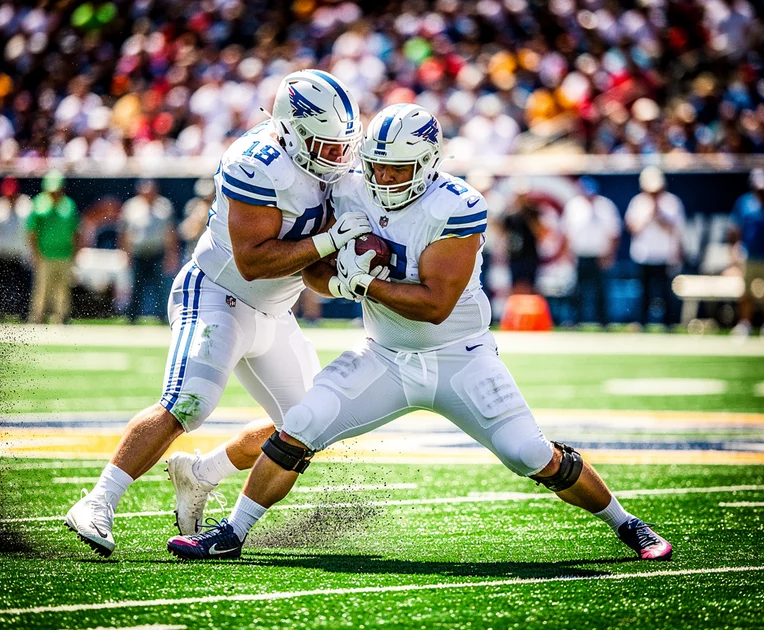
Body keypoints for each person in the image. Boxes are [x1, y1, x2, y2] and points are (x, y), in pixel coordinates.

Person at [165, 104, 673, 564]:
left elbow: (434, 305)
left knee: (530, 454)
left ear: (428, 164)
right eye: (377, 164)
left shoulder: (455, 205)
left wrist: (361, 282)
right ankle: (231, 532)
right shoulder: (347, 187)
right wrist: (339, 281)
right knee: (300, 423)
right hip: (383, 354)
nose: (384, 176)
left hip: (459, 356)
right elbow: (314, 271)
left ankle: (627, 524)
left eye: (397, 167)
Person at [64, 70, 370, 557]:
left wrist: (348, 275)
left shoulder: (333, 167)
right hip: (219, 294)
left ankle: (200, 474)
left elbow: (311, 270)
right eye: (324, 145)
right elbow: (253, 261)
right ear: (291, 131)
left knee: (309, 424)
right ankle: (98, 501)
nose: (337, 156)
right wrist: (331, 240)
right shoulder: (257, 163)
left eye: (341, 145)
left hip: (276, 311)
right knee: (188, 404)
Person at [624, 167, 685, 328]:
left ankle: (669, 325)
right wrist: (649, 214)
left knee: (666, 292)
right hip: (643, 255)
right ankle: (641, 323)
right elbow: (633, 228)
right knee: (643, 292)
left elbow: (674, 229)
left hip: (664, 255)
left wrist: (658, 213)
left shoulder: (672, 202)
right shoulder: (637, 202)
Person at [562, 177, 621, 326]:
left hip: (599, 255)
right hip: (580, 254)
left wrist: (610, 254)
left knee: (600, 289)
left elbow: (614, 233)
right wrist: (568, 253)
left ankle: (603, 321)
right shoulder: (574, 206)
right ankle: (577, 320)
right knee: (578, 290)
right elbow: (567, 233)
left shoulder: (605, 206)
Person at [119, 179, 178, 323]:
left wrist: (171, 255)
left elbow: (170, 233)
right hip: (138, 253)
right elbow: (125, 233)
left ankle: (163, 317)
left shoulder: (164, 206)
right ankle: (132, 317)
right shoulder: (131, 206)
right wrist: (125, 254)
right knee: (136, 287)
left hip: (158, 253)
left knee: (161, 288)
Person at [27, 171, 80, 324]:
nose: (55, 194)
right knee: (43, 288)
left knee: (63, 289)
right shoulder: (38, 204)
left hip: (65, 254)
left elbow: (76, 232)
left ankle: (62, 317)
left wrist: (74, 254)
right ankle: (37, 318)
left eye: (57, 190)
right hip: (45, 254)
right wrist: (35, 254)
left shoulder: (69, 205)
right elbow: (31, 233)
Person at [0, 176, 33, 321]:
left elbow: (32, 229)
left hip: (18, 254)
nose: (10, 197)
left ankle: (23, 315)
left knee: (22, 287)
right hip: (1, 254)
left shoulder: (26, 205)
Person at [728, 168, 764, 336]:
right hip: (749, 256)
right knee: (746, 293)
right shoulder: (744, 203)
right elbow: (735, 229)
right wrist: (734, 252)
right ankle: (745, 324)